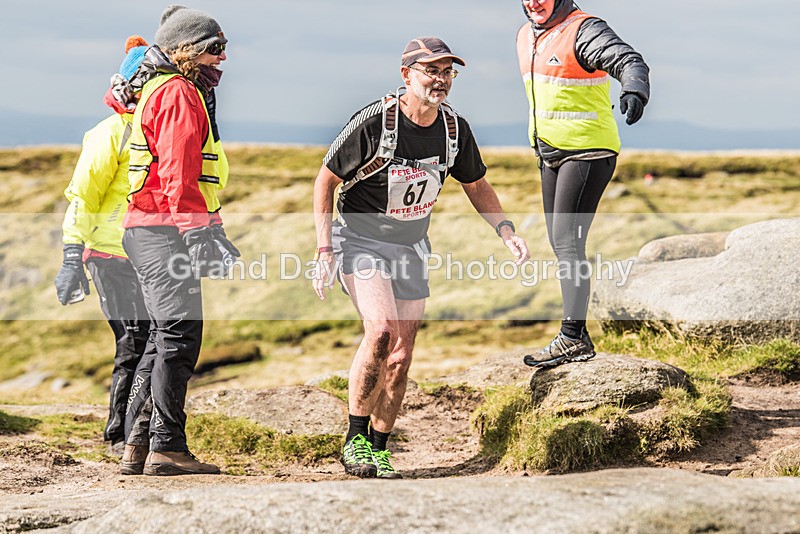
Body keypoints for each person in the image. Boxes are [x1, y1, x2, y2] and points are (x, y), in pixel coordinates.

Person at [313, 37, 530, 479]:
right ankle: (354, 439)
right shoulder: (376, 122)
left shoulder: (454, 130)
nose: (441, 80)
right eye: (431, 70)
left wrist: (505, 229)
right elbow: (325, 181)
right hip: (359, 240)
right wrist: (324, 250)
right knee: (380, 333)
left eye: (448, 72)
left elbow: (476, 185)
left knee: (401, 355)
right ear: (406, 74)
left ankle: (378, 446)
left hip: (411, 247)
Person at [121, 4, 239, 476]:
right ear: (185, 50)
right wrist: (196, 233)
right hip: (162, 231)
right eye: (214, 50)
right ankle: (167, 447)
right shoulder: (178, 94)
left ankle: (138, 445)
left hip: (149, 229)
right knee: (179, 334)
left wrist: (212, 227)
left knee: (160, 338)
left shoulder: (159, 89)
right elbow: (177, 172)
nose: (222, 59)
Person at [516, 0, 650, 367]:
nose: (533, 2)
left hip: (589, 150)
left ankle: (572, 337)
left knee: (567, 242)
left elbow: (628, 60)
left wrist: (634, 88)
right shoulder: (526, 35)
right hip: (549, 154)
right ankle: (580, 337)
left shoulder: (583, 30)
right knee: (561, 245)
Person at [54, 36, 153, 460]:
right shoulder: (108, 133)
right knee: (135, 340)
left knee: (159, 342)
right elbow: (83, 197)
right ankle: (119, 434)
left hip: (153, 255)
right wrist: (72, 258)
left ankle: (138, 432)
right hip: (110, 257)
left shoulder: (164, 132)